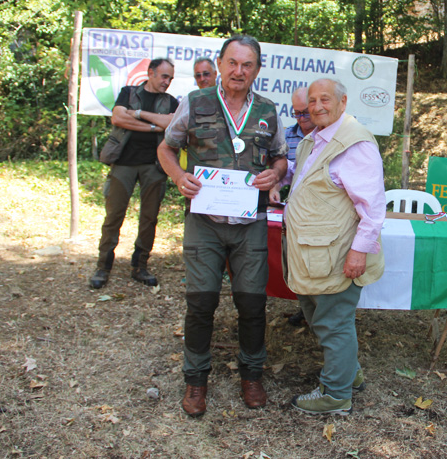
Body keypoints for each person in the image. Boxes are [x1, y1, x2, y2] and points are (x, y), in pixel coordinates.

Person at [157, 35, 288, 417]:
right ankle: (196, 381)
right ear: (220, 63)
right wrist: (179, 176)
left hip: (250, 224)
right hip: (205, 222)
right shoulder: (195, 102)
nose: (239, 71)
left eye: (247, 65)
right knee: (201, 303)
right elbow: (166, 147)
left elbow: (280, 157)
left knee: (252, 303)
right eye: (232, 63)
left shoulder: (267, 109)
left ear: (257, 70)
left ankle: (252, 375)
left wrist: (274, 175)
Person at [284, 78, 385, 415]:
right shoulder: (313, 140)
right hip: (314, 254)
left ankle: (337, 394)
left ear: (343, 101)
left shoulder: (354, 143)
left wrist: (359, 251)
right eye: (312, 101)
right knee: (319, 316)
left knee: (334, 321)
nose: (317, 106)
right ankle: (349, 373)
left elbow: (371, 207)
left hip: (337, 253)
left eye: (325, 99)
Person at [89, 58, 179, 289]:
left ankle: (140, 266)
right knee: (114, 216)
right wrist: (153, 125)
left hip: (155, 165)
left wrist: (137, 114)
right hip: (124, 163)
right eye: (163, 76)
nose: (167, 82)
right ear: (150, 73)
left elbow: (170, 124)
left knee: (149, 218)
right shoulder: (128, 92)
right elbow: (118, 117)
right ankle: (103, 266)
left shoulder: (171, 102)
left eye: (170, 78)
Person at [270, 86, 316, 327]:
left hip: (322, 213)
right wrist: (275, 183)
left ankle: (323, 314)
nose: (301, 119)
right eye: (296, 113)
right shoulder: (287, 135)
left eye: (305, 113)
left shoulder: (330, 134)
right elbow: (285, 169)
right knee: (296, 263)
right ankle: (305, 306)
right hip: (297, 211)